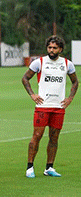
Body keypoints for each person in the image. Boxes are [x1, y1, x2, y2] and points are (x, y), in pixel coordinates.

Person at [22, 35, 77, 178]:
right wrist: (32, 94)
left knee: (54, 137)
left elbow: (75, 82)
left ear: (60, 49)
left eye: (54, 48)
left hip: (59, 108)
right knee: (37, 135)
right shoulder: (39, 62)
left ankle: (49, 167)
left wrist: (70, 98)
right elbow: (25, 78)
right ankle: (30, 167)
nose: (51, 50)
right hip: (42, 106)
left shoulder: (67, 64)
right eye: (49, 47)